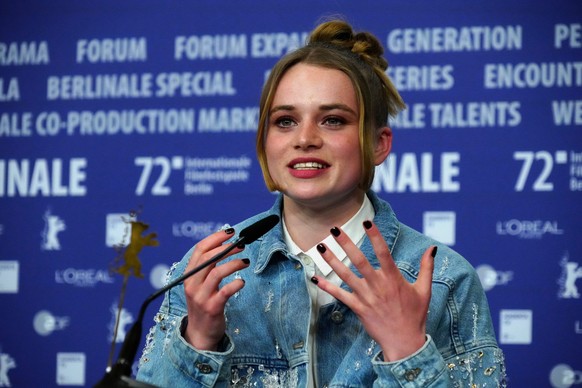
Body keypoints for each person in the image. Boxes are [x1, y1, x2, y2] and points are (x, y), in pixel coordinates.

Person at [136, 19, 506, 387]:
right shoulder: (211, 270)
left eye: (332, 120)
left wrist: (406, 351)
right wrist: (198, 341)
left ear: (378, 143)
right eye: (285, 121)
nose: (305, 139)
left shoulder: (444, 280)